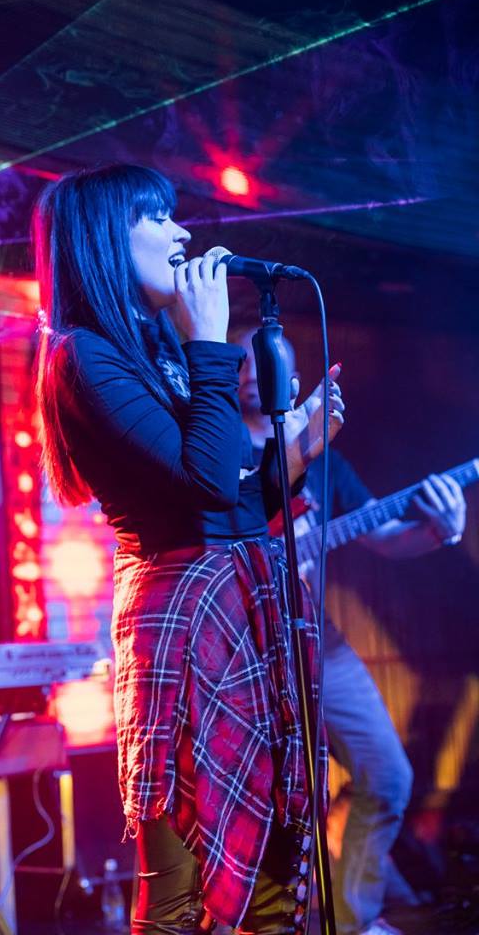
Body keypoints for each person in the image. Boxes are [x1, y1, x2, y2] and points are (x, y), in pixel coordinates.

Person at [33, 164, 346, 935]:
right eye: (157, 217)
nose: (181, 232)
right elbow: (204, 484)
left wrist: (298, 451)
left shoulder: (157, 346)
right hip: (178, 616)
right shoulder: (83, 357)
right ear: (105, 238)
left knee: (274, 865)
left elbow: (233, 502)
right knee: (178, 892)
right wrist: (208, 340)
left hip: (240, 605)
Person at [234, 329, 467, 935]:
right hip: (239, 654)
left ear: (291, 378)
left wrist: (440, 531)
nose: (252, 370)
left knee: (387, 778)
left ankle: (353, 921)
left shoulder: (322, 458)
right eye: (239, 360)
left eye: (264, 359)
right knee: (264, 803)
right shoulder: (219, 446)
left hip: (319, 643)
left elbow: (384, 537)